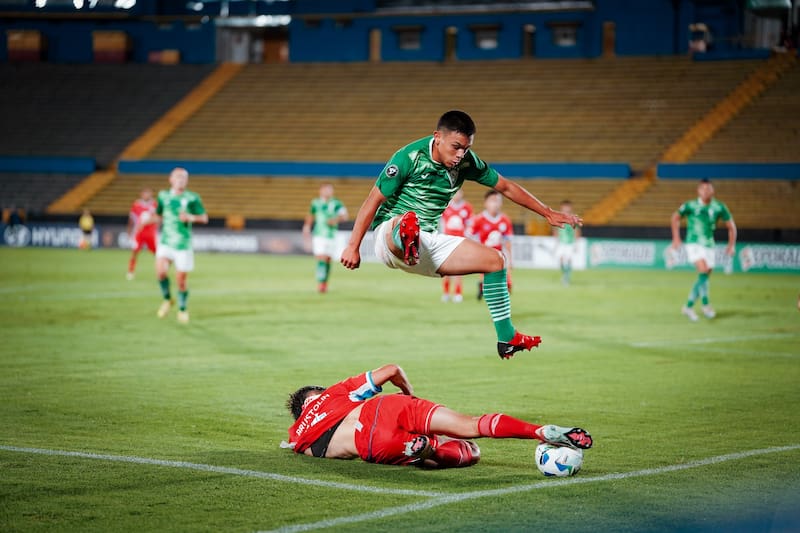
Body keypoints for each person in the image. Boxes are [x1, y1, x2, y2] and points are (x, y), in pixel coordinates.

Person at [340, 110, 581, 359]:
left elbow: (506, 186)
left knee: (496, 260)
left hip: (426, 242)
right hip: (388, 236)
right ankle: (407, 239)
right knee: (406, 221)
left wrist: (547, 212)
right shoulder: (408, 157)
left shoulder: (467, 162)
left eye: (465, 149)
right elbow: (373, 200)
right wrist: (353, 246)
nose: (460, 155)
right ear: (438, 137)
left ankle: (507, 337)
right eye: (456, 147)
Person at [284, 363, 592, 468]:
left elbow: (321, 452)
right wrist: (408, 396)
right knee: (473, 426)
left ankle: (425, 450)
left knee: (465, 455)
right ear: (316, 393)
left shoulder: (297, 435)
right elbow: (392, 370)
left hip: (372, 441)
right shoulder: (334, 392)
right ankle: (539, 431)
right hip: (389, 406)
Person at [670, 178, 736, 321]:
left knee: (704, 276)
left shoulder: (719, 207)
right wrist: (676, 238)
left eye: (708, 189)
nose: (705, 191)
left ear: (713, 191)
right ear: (698, 191)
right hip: (693, 243)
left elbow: (731, 227)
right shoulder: (690, 205)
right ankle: (706, 305)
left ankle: (688, 306)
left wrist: (731, 245)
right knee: (703, 269)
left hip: (709, 245)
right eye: (703, 189)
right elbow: (675, 217)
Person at [153, 168, 208, 324]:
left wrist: (190, 217)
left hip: (183, 244)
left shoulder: (192, 198)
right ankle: (167, 299)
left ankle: (182, 309)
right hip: (166, 242)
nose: (181, 180)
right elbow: (159, 215)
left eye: (184, 178)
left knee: (181, 280)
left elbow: (204, 218)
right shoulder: (163, 196)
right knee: (161, 272)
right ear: (170, 179)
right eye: (178, 177)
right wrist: (145, 222)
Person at [302, 183, 348, 293]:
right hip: (319, 234)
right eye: (326, 190)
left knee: (327, 259)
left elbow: (345, 216)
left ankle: (324, 282)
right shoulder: (315, 203)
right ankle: (321, 283)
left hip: (331, 235)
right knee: (321, 257)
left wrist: (335, 220)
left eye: (330, 190)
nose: (328, 192)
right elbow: (310, 215)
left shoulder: (336, 203)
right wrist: (307, 227)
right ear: (321, 191)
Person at [470, 190, 513, 300]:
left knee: (507, 285)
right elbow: (470, 236)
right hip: (484, 254)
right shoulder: (479, 219)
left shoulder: (505, 220)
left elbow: (507, 241)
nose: (495, 204)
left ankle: (486, 287)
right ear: (486, 203)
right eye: (492, 200)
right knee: (489, 282)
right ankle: (483, 287)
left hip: (499, 255)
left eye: (498, 200)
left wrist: (510, 259)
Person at [440, 188, 473, 302]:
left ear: (462, 193)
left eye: (459, 192)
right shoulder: (446, 206)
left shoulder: (467, 208)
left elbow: (469, 225)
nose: (457, 194)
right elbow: (441, 223)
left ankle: (458, 293)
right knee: (446, 268)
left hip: (460, 242)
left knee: (459, 268)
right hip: (447, 241)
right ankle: (446, 292)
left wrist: (467, 237)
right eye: (455, 192)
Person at [126, 188, 158, 281]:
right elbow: (131, 219)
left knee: (158, 254)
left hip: (151, 233)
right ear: (141, 194)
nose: (147, 195)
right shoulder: (136, 205)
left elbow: (158, 218)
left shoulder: (155, 204)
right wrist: (129, 231)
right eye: (145, 193)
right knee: (135, 252)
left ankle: (159, 272)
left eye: (149, 193)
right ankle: (130, 271)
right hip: (139, 233)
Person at [553, 200, 581, 286]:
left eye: (567, 207)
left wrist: (576, 243)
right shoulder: (559, 217)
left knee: (568, 259)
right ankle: (564, 274)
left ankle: (566, 277)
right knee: (561, 259)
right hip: (561, 242)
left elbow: (577, 231)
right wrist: (556, 241)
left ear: (570, 208)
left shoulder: (573, 218)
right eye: (564, 207)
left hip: (570, 242)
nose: (565, 209)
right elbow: (556, 230)